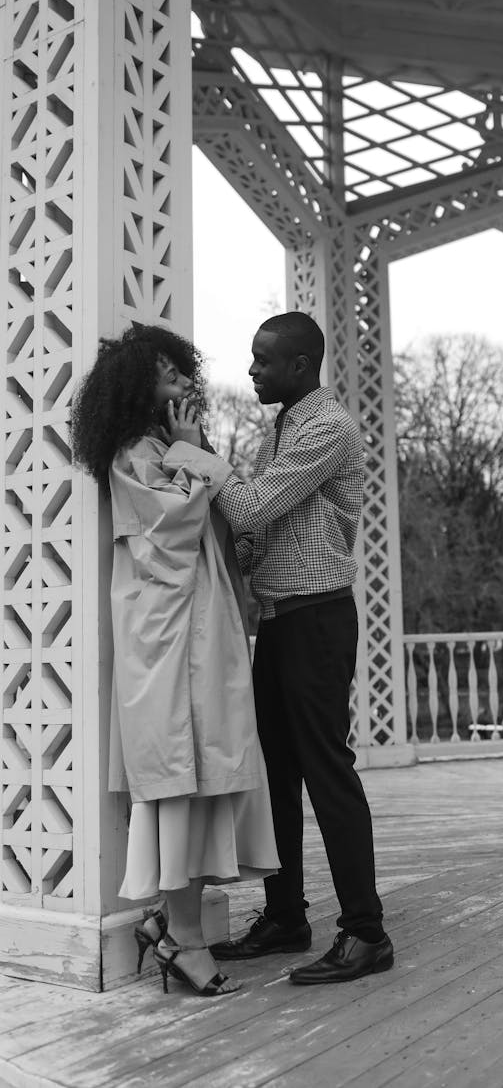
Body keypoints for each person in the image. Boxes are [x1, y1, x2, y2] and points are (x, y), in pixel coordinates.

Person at [162, 310, 393, 984]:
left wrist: (196, 451)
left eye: (263, 359)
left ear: (299, 364)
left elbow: (252, 506)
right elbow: (259, 530)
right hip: (282, 623)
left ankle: (366, 931)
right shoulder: (285, 427)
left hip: (319, 621)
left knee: (328, 771)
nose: (253, 368)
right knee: (277, 776)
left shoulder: (328, 426)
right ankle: (286, 915)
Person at [70, 323, 279, 997]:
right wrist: (191, 455)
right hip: (165, 642)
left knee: (202, 782)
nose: (184, 379)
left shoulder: (172, 446)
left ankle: (172, 926)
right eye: (168, 371)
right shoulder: (135, 451)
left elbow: (226, 523)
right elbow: (168, 535)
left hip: (198, 636)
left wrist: (194, 450)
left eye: (183, 368)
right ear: (138, 383)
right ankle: (182, 939)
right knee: (180, 787)